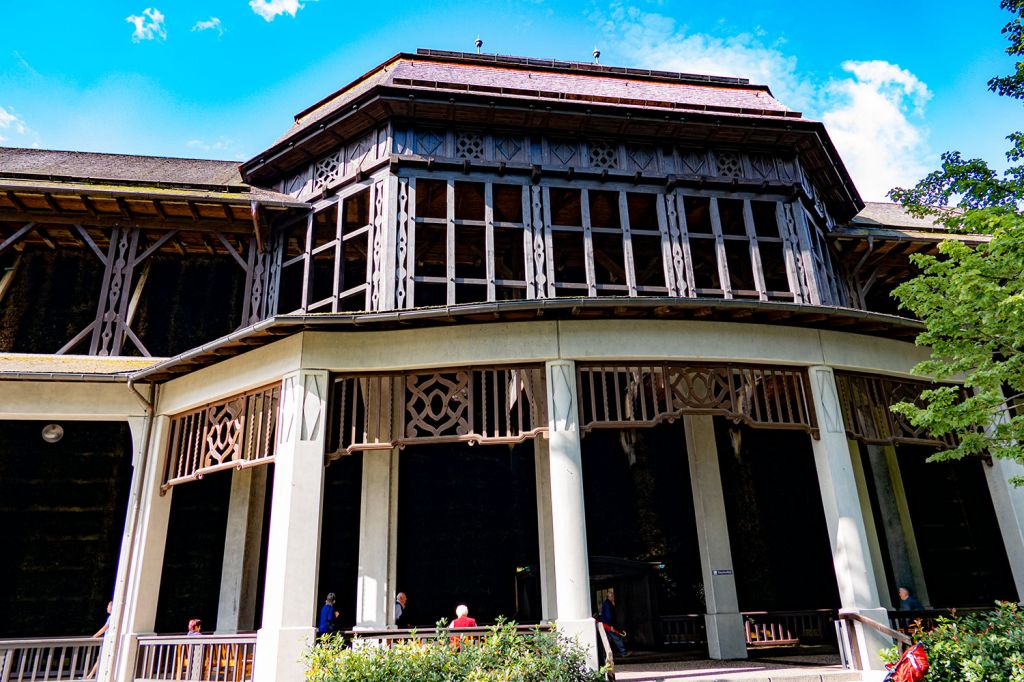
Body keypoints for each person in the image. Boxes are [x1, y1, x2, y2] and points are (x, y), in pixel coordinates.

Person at [86, 601, 113, 679]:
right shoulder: (111, 617)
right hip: (107, 641)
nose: (107, 608)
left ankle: (90, 675)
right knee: (100, 657)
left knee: (100, 657)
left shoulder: (111, 617)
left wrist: (95, 636)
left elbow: (105, 628)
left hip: (108, 641)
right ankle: (90, 675)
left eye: (108, 606)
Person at [598, 588, 627, 657]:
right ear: (609, 597)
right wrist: (610, 625)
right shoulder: (608, 604)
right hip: (608, 625)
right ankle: (623, 652)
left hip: (606, 624)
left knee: (608, 639)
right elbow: (609, 616)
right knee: (616, 638)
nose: (613, 597)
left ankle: (607, 654)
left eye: (613, 596)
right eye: (612, 596)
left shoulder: (607, 603)